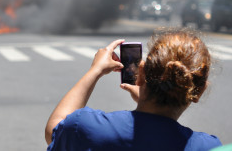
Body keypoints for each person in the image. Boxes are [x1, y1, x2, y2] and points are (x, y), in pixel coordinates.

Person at [45, 28, 222, 150]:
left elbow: (55, 128)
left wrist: (96, 70)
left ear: (141, 73)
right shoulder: (207, 147)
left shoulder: (87, 128)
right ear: (199, 91)